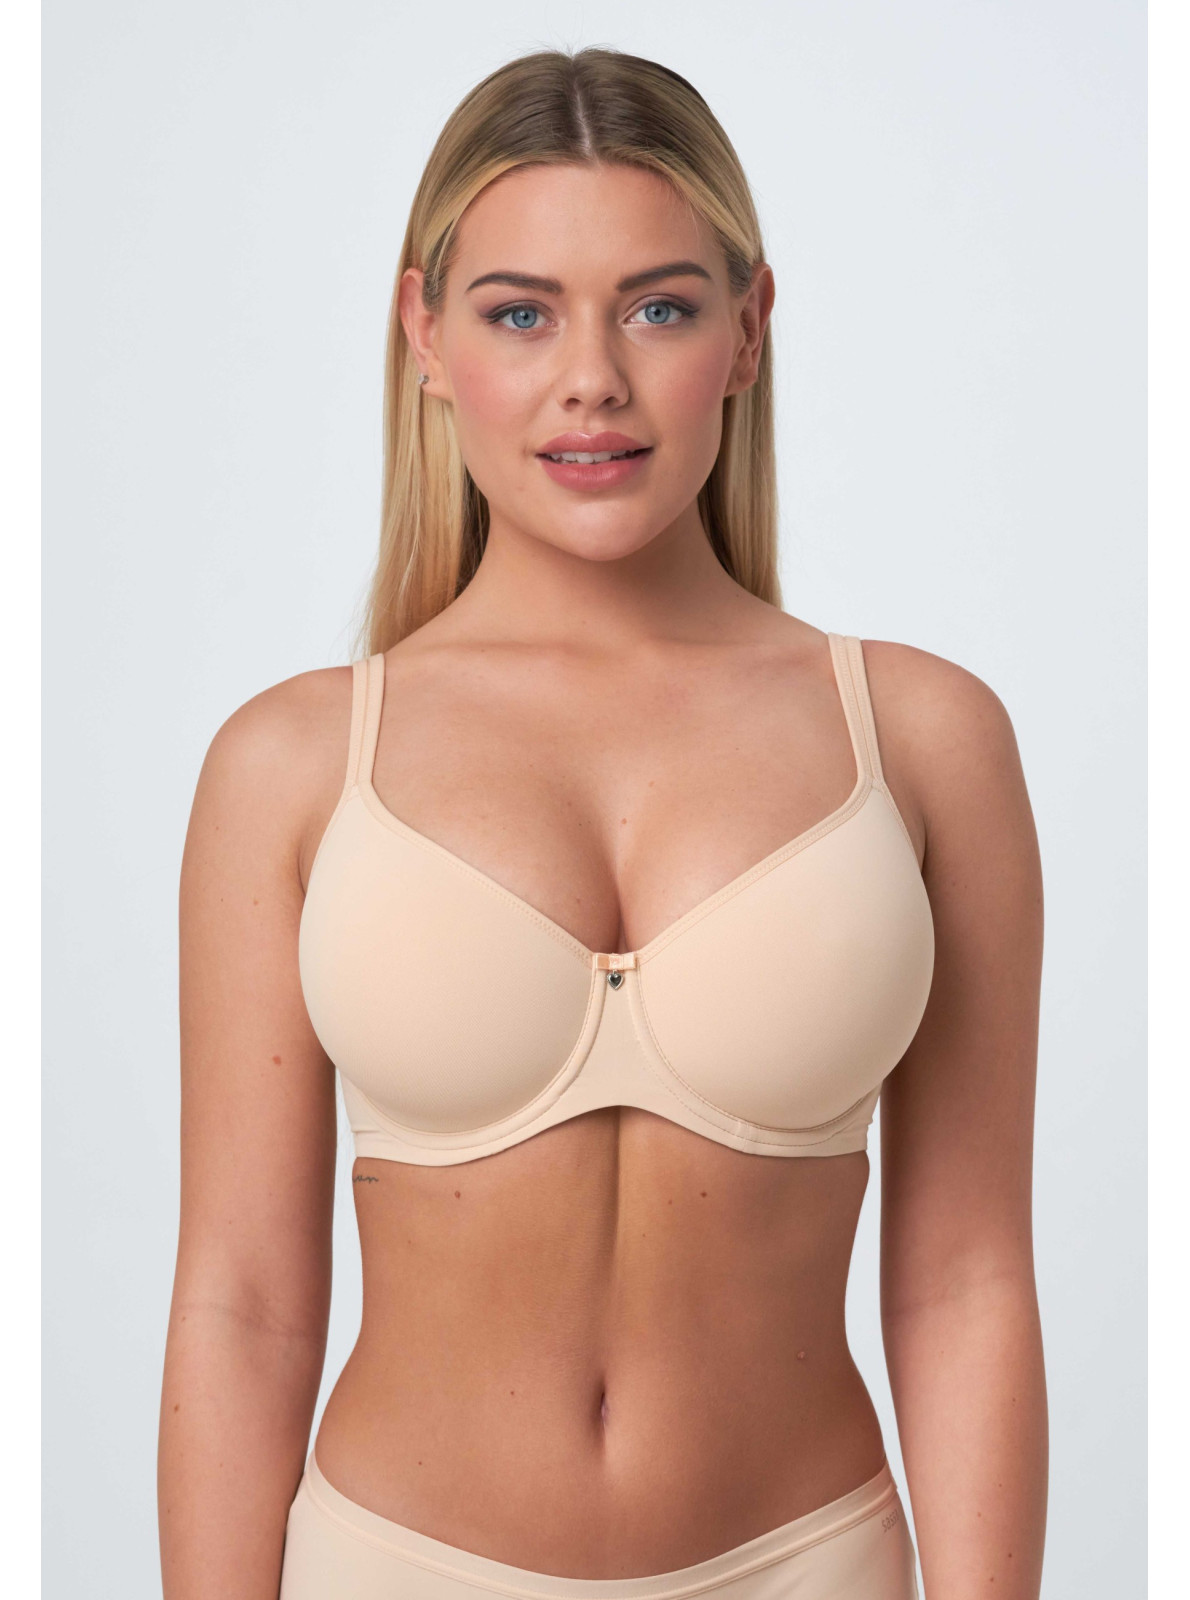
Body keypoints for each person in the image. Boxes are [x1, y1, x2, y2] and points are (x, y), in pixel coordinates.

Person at [158, 47, 1047, 1600]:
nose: (592, 379)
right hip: (397, 1566)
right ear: (424, 337)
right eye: (520, 312)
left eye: (657, 308)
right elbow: (242, 1303)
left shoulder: (920, 739)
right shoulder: (290, 764)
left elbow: (964, 1281)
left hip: (806, 1564)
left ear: (747, 330)